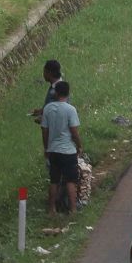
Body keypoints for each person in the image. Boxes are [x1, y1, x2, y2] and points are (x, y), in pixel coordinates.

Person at [41, 81, 83, 215]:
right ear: (68, 93)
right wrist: (79, 146)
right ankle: (73, 209)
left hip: (53, 150)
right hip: (68, 151)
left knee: (54, 180)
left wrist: (46, 148)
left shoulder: (48, 109)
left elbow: (44, 131)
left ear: (55, 93)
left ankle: (51, 208)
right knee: (71, 180)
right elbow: (74, 132)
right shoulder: (70, 109)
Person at [29, 59, 65, 125]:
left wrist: (43, 119)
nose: (43, 74)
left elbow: (60, 111)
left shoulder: (59, 90)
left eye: (44, 72)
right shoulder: (55, 86)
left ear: (49, 73)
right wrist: (41, 111)